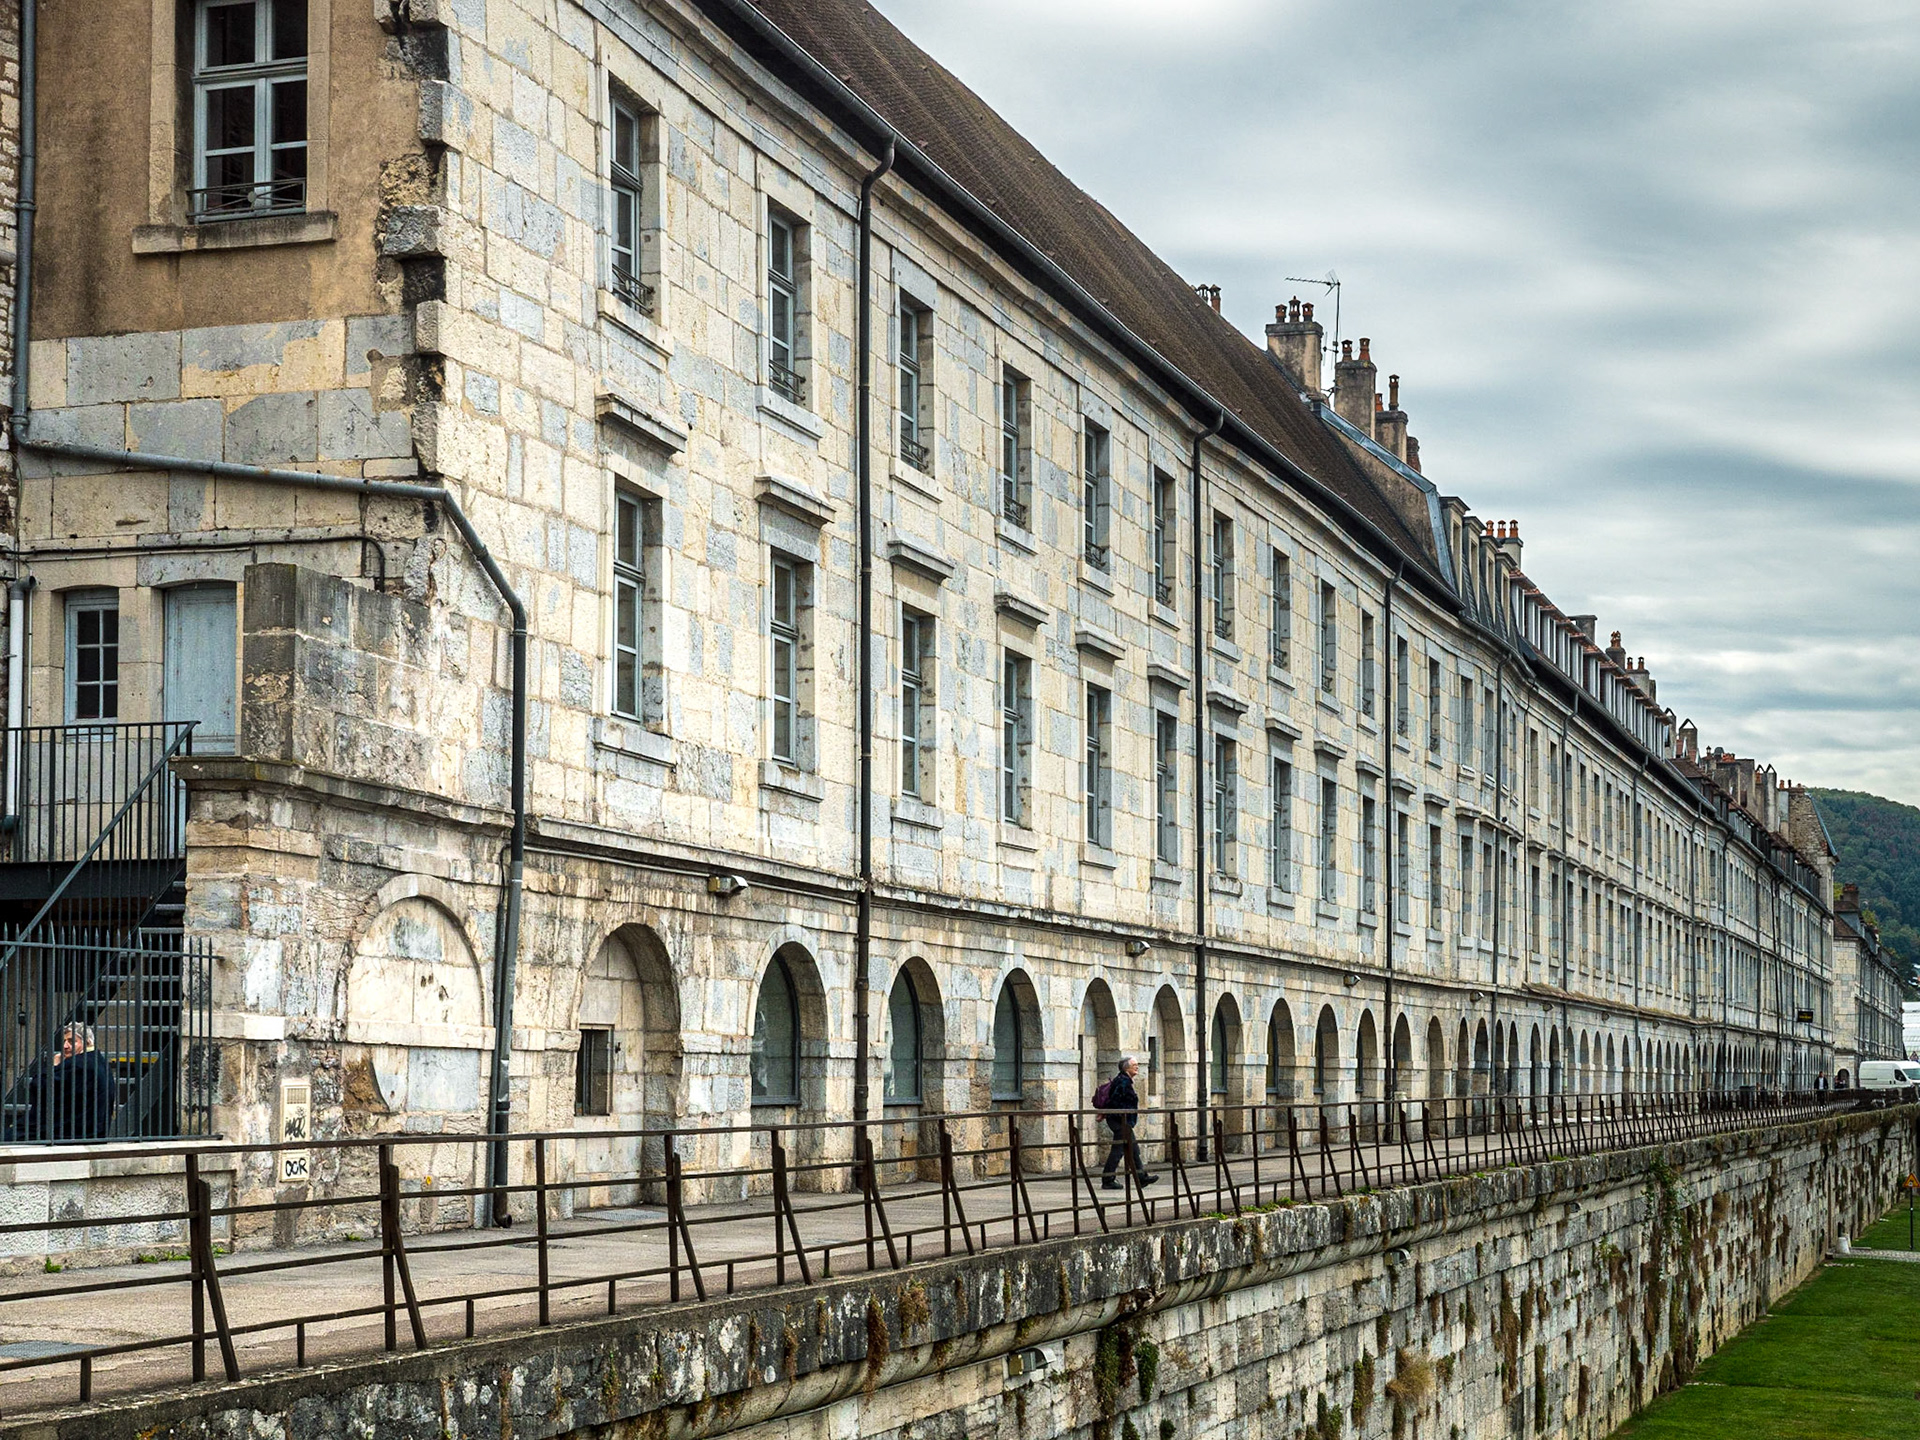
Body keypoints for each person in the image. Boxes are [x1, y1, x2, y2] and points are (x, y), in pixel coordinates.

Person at [46, 1022, 117, 1142]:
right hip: (95, 1133)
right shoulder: (100, 1061)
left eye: (72, 1041)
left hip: (73, 1135)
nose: (65, 1046)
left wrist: (54, 1065)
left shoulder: (78, 1064)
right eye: (64, 1041)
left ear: (87, 1043)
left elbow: (43, 1088)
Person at [1098, 1055, 1158, 1190]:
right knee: (1118, 1150)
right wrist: (1124, 1115)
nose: (1137, 1067)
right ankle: (1108, 1179)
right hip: (1120, 1121)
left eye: (1137, 1065)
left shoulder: (1124, 1080)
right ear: (1126, 1068)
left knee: (1133, 1149)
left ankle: (1141, 1177)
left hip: (1123, 1121)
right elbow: (1116, 1101)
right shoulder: (1123, 1082)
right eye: (1134, 1065)